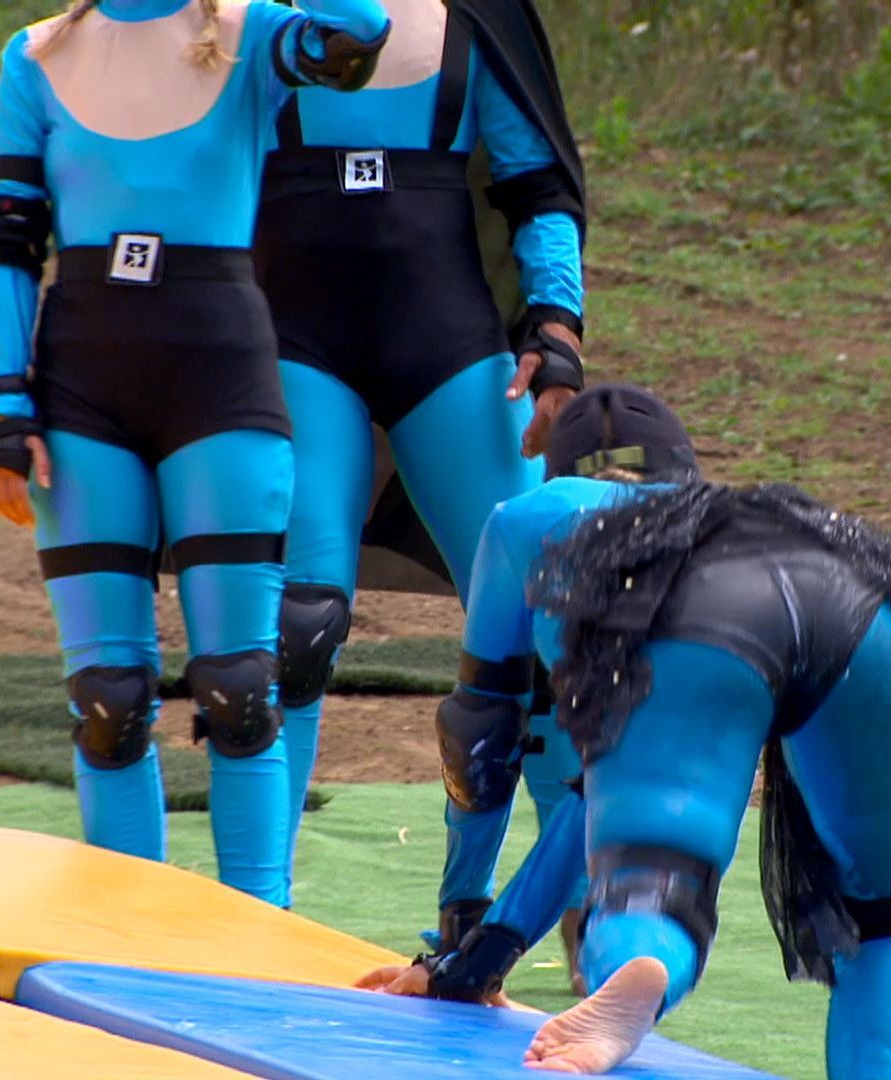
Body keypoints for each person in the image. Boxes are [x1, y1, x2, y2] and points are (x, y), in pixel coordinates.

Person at [359, 385, 891, 1079]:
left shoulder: (536, 515)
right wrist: (486, 954)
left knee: (654, 876)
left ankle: (642, 960)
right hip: (867, 598)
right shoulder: (722, 514)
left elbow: (477, 746)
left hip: (707, 611)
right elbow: (589, 802)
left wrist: (459, 936)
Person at [0, 0, 389, 905]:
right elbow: (8, 243)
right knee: (107, 701)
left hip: (220, 377)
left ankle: (259, 928)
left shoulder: (253, 35)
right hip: (81, 388)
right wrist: (2, 404)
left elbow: (360, 31)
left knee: (241, 688)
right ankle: (128, 939)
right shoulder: (34, 57)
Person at [249, 0, 590, 940]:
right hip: (293, 342)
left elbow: (538, 187)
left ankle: (575, 900)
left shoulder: (481, 19)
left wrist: (556, 329)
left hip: (450, 348)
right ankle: (256, 908)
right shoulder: (251, 19)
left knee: (541, 637)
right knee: (296, 628)